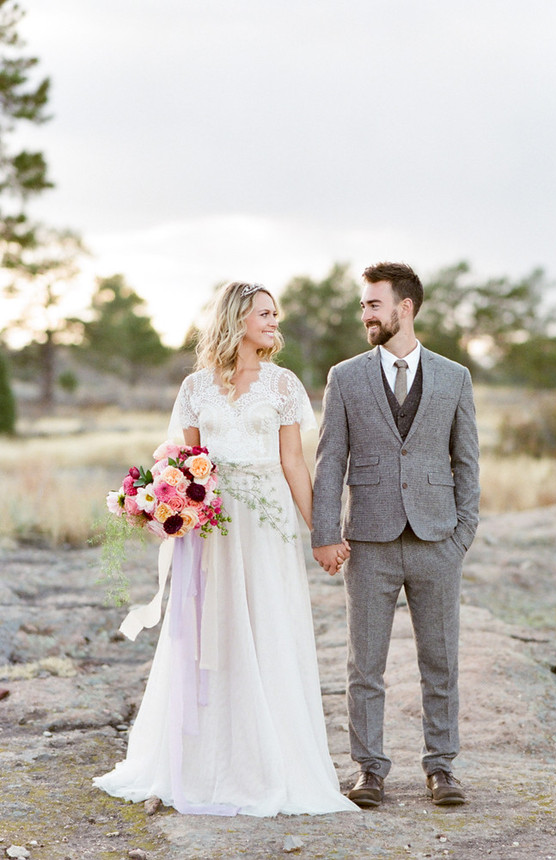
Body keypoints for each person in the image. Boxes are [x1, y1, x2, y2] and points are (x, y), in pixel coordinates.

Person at [94, 281, 357, 817]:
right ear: (238, 318)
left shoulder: (283, 386)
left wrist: (321, 533)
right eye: (265, 312)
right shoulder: (194, 387)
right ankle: (202, 761)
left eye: (276, 313)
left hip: (266, 525)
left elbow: (293, 465)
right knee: (208, 635)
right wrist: (159, 506)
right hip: (212, 528)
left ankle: (271, 759)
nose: (274, 320)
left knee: (267, 625)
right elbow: (183, 459)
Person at [312, 262, 480, 808]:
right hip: (369, 542)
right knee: (365, 663)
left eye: (373, 304)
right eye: (364, 305)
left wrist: (462, 534)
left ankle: (442, 767)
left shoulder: (455, 377)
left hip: (437, 540)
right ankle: (369, 770)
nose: (365, 314)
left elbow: (467, 461)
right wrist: (324, 532)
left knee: (441, 659)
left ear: (404, 309)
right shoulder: (345, 376)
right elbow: (330, 458)